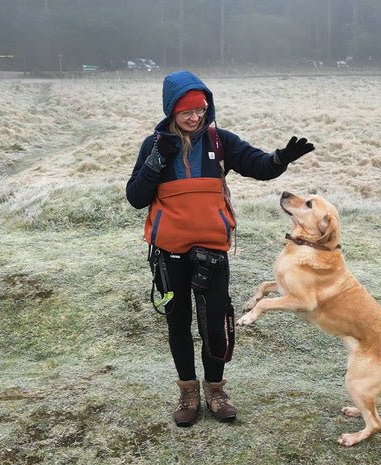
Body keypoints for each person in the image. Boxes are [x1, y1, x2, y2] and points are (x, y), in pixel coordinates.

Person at [126, 71, 315, 427]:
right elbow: (136, 197)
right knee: (179, 323)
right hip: (169, 254)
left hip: (212, 251)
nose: (195, 117)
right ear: (171, 111)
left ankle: (215, 389)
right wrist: (156, 161)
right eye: (186, 112)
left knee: (215, 324)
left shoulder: (219, 140)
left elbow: (256, 165)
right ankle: (188, 391)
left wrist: (279, 159)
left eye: (200, 109)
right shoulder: (154, 145)